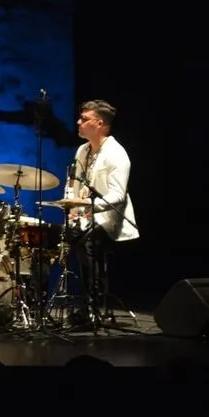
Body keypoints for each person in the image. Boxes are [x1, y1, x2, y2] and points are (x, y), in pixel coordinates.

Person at [62, 100, 138, 317]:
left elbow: (117, 197)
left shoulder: (116, 154)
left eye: (84, 119)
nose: (79, 122)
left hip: (109, 218)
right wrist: (70, 203)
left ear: (100, 123)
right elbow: (73, 183)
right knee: (62, 237)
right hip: (86, 216)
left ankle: (92, 305)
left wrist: (86, 205)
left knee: (88, 242)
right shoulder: (82, 150)